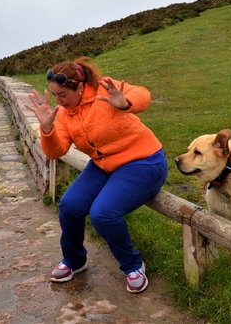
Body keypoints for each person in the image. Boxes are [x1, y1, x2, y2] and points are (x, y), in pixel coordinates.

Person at [25, 57, 168, 294]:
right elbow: (56, 151)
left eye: (63, 95)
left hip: (144, 161)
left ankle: (133, 265)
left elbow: (143, 95)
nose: (59, 101)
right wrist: (47, 129)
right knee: (69, 205)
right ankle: (74, 260)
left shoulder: (105, 88)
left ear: (79, 87)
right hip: (104, 164)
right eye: (55, 95)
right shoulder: (63, 113)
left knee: (103, 214)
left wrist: (125, 102)